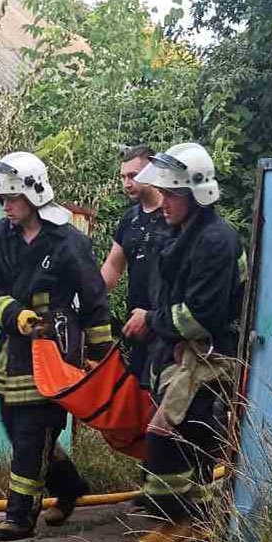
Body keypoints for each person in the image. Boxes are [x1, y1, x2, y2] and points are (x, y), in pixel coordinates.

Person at [0, 151, 113, 541]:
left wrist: (98, 359)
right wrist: (16, 314)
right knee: (15, 428)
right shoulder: (0, 237)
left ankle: (19, 516)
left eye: (12, 199)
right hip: (14, 351)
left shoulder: (69, 242)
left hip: (55, 352)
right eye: (3, 199)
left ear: (34, 195)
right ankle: (68, 488)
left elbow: (95, 301)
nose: (6, 206)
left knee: (34, 433)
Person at [122, 142, 244, 542]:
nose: (165, 202)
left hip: (208, 356)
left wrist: (152, 321)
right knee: (188, 439)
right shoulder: (178, 234)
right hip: (177, 353)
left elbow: (201, 314)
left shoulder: (215, 240)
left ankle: (186, 521)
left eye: (172, 194)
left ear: (196, 193)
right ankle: (185, 521)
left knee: (171, 435)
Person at [101, 145, 169, 383]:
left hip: (166, 328)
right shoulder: (129, 219)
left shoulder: (173, 215)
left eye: (133, 175)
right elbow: (113, 266)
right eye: (123, 177)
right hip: (135, 329)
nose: (126, 183)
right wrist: (87, 298)